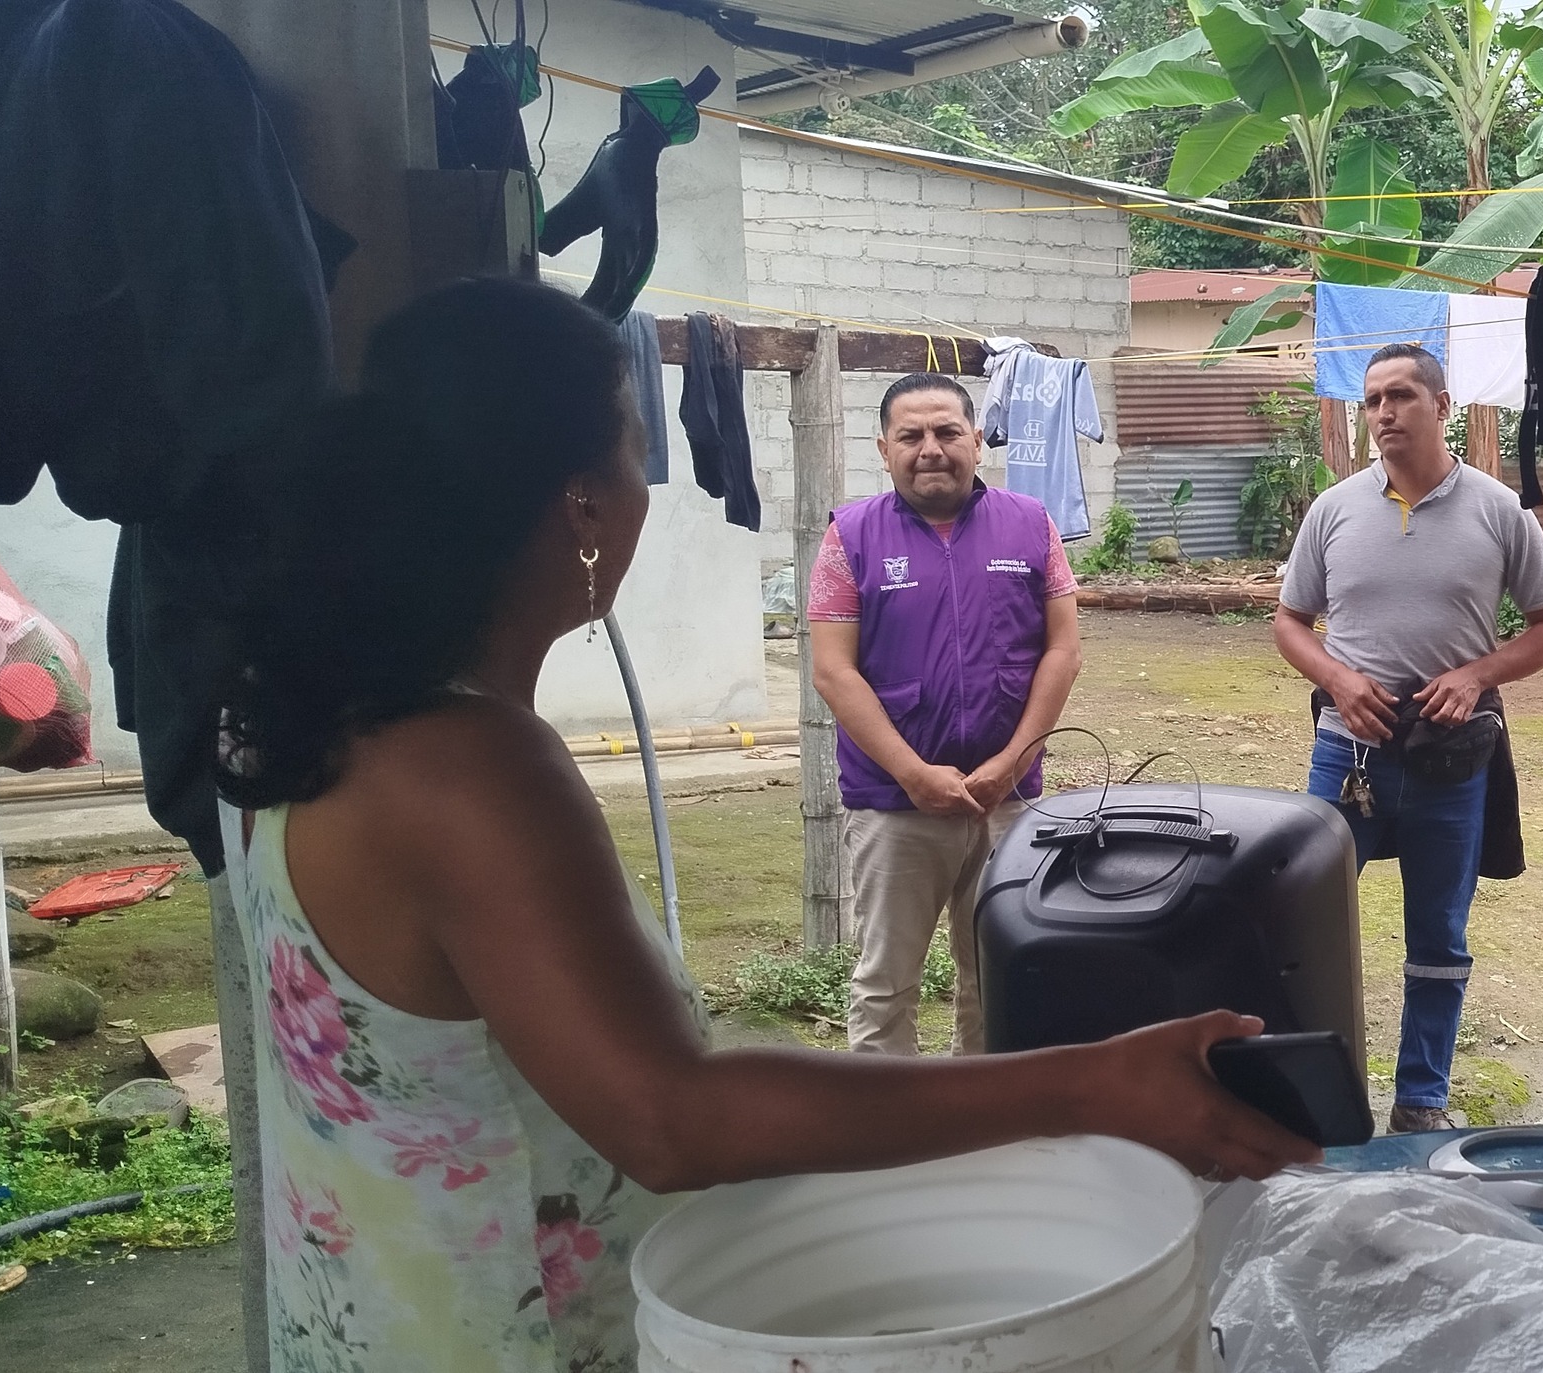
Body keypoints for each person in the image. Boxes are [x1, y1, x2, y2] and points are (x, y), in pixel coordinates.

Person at [211, 278, 1312, 1372]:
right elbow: (672, 1118)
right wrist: (1090, 1082)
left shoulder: (309, 709)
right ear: (583, 503)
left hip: (376, 1312)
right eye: (637, 451)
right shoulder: (470, 769)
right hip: (502, 1333)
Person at [1273, 342, 1543, 1134]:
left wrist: (1476, 675)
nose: (1383, 413)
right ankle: (1307, 1095)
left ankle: (1420, 1100)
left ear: (1441, 407)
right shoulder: (1334, 509)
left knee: (1439, 932)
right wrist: (1338, 681)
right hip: (1348, 752)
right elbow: (1289, 621)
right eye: (1372, 399)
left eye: (1401, 396)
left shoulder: (1498, 510)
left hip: (1450, 754)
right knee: (1300, 920)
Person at [807, 372, 1081, 1056]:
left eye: (947, 431)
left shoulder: (1032, 523)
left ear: (977, 441)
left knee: (997, 976)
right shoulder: (850, 536)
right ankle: (887, 1117)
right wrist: (912, 773)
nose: (930, 448)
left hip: (1008, 800)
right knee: (885, 983)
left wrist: (1012, 762)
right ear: (884, 449)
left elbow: (1063, 651)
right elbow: (833, 671)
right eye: (911, 435)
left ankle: (984, 1113)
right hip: (894, 804)